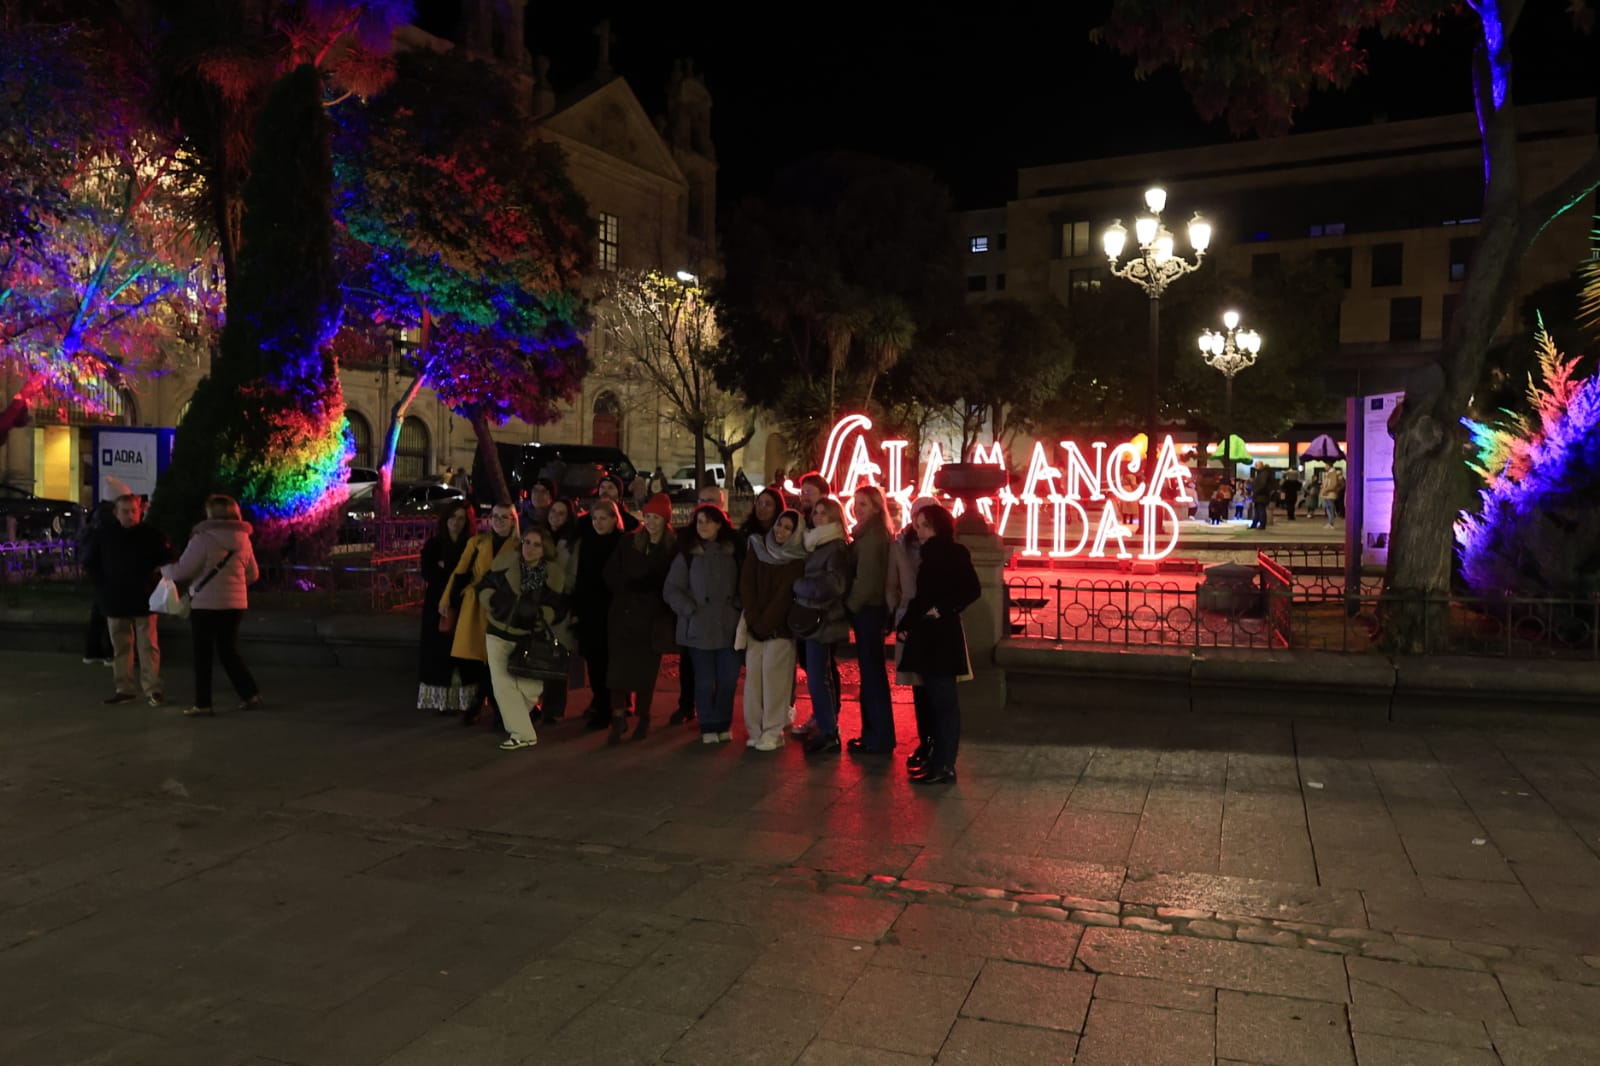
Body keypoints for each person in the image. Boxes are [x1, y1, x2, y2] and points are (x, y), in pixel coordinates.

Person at [896, 503, 981, 785]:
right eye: (917, 525)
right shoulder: (928, 554)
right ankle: (937, 760)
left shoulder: (953, 553)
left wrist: (942, 609)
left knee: (944, 701)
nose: (918, 530)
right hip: (927, 634)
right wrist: (906, 624)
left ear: (938, 526)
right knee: (934, 698)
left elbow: (971, 589)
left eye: (924, 525)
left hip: (941, 636)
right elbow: (921, 596)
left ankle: (945, 764)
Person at [163, 494, 261, 717]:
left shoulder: (203, 538)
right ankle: (250, 694)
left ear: (210, 513)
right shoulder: (243, 540)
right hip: (235, 604)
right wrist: (233, 584)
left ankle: (203, 703)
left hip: (205, 604)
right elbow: (253, 574)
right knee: (229, 650)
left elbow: (182, 571)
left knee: (202, 654)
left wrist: (163, 570)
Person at [476, 526, 569, 751]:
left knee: (530, 688)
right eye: (527, 542)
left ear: (544, 548)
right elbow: (485, 586)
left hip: (528, 637)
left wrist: (546, 613)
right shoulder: (505, 564)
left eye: (536, 544)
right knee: (503, 686)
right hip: (498, 631)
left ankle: (519, 725)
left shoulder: (553, 575)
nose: (530, 548)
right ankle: (523, 733)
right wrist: (492, 601)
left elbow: (560, 605)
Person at [663, 503, 743, 744]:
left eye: (708, 520)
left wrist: (737, 605)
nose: (704, 526)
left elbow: (743, 584)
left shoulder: (733, 554)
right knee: (705, 680)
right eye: (699, 521)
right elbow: (671, 589)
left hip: (727, 626)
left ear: (720, 524)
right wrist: (690, 609)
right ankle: (708, 723)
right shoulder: (687, 555)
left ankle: (722, 722)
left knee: (729, 679)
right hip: (699, 627)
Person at [602, 493, 677, 743]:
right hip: (623, 615)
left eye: (656, 517)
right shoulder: (629, 542)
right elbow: (611, 573)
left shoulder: (670, 547)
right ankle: (619, 718)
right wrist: (627, 586)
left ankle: (644, 717)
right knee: (618, 672)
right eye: (648, 517)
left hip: (651, 619)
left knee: (645, 673)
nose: (651, 522)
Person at [85, 493, 171, 706]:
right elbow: (91, 562)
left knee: (148, 645)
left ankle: (152, 688)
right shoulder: (105, 535)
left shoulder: (151, 535)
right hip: (115, 598)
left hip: (144, 598)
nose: (131, 515)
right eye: (126, 511)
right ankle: (124, 687)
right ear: (116, 513)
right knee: (121, 645)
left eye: (134, 510)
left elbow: (168, 559)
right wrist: (102, 586)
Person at [440, 502, 520, 725]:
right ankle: (487, 706)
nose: (499, 521)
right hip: (474, 605)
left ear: (513, 520)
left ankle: (483, 705)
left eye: (504, 517)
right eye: (495, 516)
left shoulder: (520, 545)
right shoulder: (477, 542)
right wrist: (446, 599)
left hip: (503, 607)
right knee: (475, 659)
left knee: (496, 659)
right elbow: (459, 572)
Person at [738, 507, 807, 750]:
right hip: (756, 626)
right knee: (754, 681)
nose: (781, 531)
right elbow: (747, 584)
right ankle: (755, 729)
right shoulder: (757, 547)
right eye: (780, 525)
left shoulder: (797, 559)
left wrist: (764, 623)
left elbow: (785, 596)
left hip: (779, 630)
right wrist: (755, 619)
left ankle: (773, 730)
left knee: (775, 681)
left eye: (788, 528)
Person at [792, 496, 851, 754]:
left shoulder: (834, 547)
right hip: (814, 618)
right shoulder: (816, 543)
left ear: (835, 517)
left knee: (818, 676)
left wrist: (799, 587)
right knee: (818, 675)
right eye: (815, 512)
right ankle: (826, 727)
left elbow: (835, 585)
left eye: (823, 513)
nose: (817, 517)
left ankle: (829, 731)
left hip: (823, 619)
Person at [886, 497, 936, 770]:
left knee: (935, 686)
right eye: (917, 520)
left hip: (934, 620)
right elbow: (891, 584)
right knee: (918, 686)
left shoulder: (941, 547)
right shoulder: (900, 546)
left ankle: (935, 742)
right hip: (909, 620)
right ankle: (924, 739)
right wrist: (897, 611)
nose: (920, 526)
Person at [845, 485, 895, 754]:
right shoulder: (871, 533)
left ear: (876, 507)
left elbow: (867, 581)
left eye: (863, 503)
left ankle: (877, 736)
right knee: (871, 672)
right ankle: (875, 734)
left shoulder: (872, 537)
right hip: (871, 609)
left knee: (872, 673)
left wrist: (849, 607)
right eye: (856, 502)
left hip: (868, 610)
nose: (857, 507)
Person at [417, 502, 477, 714]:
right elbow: (429, 572)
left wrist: (447, 569)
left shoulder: (471, 544)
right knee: (438, 651)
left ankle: (464, 700)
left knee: (461, 653)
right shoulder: (434, 545)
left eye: (461, 518)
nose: (456, 522)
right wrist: (450, 572)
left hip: (463, 603)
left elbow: (469, 574)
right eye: (453, 517)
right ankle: (440, 699)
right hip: (437, 605)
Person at [573, 498, 626, 730]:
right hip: (591, 611)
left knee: (613, 663)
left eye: (604, 518)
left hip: (614, 610)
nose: (598, 523)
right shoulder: (587, 543)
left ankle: (615, 707)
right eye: (595, 518)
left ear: (615, 519)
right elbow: (581, 578)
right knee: (595, 662)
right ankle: (601, 705)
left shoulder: (621, 543)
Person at [538, 496, 582, 722]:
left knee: (557, 659)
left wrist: (561, 587)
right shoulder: (539, 535)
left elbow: (573, 574)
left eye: (561, 513)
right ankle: (536, 704)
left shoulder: (573, 541)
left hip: (560, 603)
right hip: (537, 602)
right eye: (553, 511)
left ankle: (554, 708)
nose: (555, 516)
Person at [77, 500, 117, 666]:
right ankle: (110, 653)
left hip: (97, 576)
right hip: (107, 577)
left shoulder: (93, 526)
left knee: (99, 613)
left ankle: (92, 651)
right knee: (110, 614)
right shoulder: (107, 531)